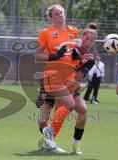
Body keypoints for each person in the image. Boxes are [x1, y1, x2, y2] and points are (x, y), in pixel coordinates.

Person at [35, 4, 95, 154]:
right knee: (51, 112)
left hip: (68, 78)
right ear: (50, 17)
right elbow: (37, 54)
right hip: (53, 75)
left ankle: (56, 139)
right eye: (56, 14)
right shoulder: (46, 33)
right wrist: (53, 56)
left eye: (61, 13)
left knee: (77, 109)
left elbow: (72, 53)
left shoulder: (73, 31)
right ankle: (47, 134)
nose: (60, 15)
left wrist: (79, 56)